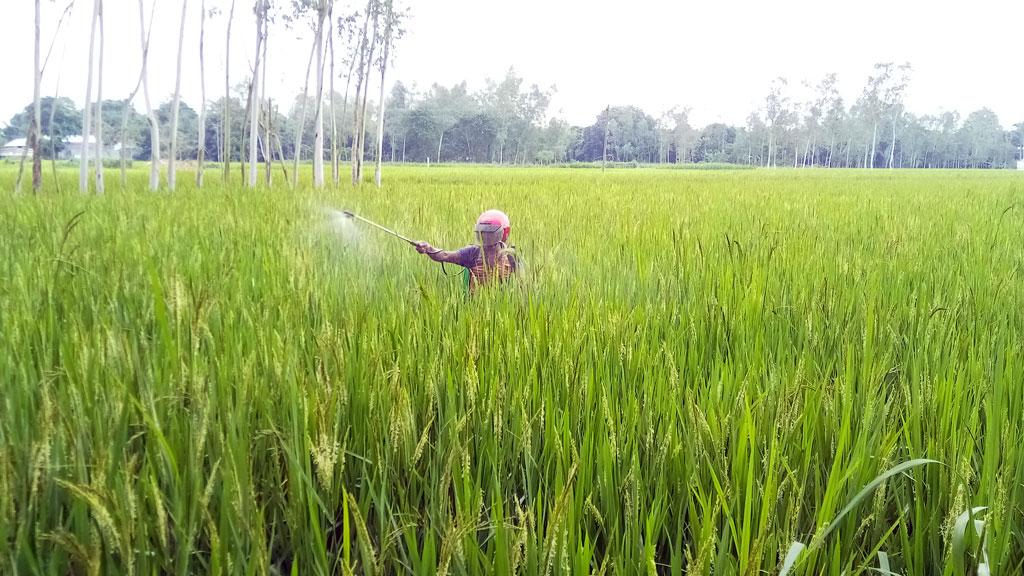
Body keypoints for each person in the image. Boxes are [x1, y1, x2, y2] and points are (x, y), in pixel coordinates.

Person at [414, 209, 518, 292]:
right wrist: (428, 248)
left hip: (501, 310)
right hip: (473, 308)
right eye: (483, 233)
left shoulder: (511, 257)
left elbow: (523, 283)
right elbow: (444, 255)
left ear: (503, 233)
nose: (486, 237)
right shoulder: (473, 253)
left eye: (491, 234)